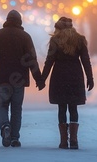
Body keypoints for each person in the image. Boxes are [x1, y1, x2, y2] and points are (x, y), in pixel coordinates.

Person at [0, 9, 43, 148]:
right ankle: (15, 137)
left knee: (2, 105)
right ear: (20, 22)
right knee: (17, 108)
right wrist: (38, 79)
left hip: (2, 78)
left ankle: (5, 126)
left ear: (7, 20)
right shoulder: (25, 37)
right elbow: (32, 60)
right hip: (19, 79)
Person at [38, 16, 94, 149]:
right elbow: (86, 60)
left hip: (59, 76)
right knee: (73, 107)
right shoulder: (80, 40)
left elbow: (49, 61)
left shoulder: (55, 40)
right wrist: (90, 78)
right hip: (75, 76)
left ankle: (63, 141)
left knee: (62, 107)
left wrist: (42, 79)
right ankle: (74, 140)